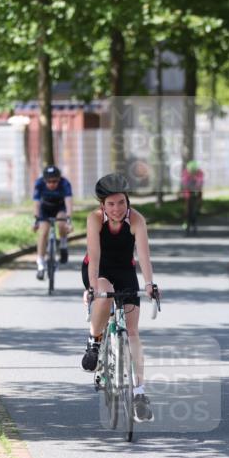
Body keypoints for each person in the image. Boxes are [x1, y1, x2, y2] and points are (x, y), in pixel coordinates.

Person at [81, 173, 158, 423]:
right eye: (110, 204)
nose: (116, 209)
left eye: (121, 203)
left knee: (133, 331)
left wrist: (149, 284)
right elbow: (93, 255)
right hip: (98, 269)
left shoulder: (136, 220)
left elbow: (144, 256)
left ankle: (139, 393)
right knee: (104, 296)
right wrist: (92, 288)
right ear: (102, 205)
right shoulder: (94, 220)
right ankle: (94, 341)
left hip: (125, 270)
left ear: (128, 201)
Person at [32, 165, 73, 280]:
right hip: (45, 209)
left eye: (55, 181)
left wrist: (69, 219)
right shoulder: (39, 183)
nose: (52, 184)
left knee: (61, 224)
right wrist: (36, 219)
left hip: (60, 207)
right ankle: (40, 265)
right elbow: (36, 203)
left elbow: (69, 202)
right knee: (43, 232)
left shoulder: (65, 184)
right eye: (48, 181)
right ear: (44, 180)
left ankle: (63, 246)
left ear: (59, 179)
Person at [180, 160, 204, 235]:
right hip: (188, 192)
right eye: (191, 172)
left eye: (194, 171)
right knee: (187, 210)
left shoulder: (200, 172)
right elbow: (184, 184)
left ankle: (194, 224)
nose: (193, 173)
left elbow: (200, 184)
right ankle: (186, 223)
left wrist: (198, 194)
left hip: (196, 192)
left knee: (194, 210)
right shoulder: (185, 173)